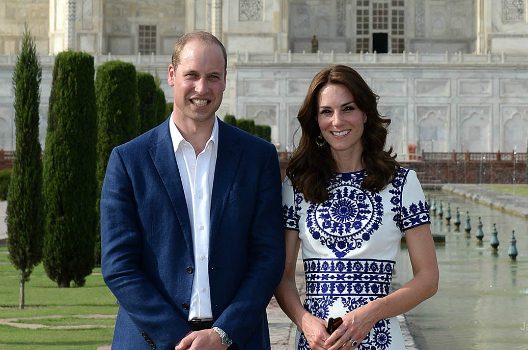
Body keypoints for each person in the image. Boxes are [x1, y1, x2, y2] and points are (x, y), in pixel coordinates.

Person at [100, 31, 285, 350]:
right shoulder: (130, 160)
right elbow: (119, 265)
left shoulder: (256, 157)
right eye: (192, 76)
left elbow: (267, 257)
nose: (202, 88)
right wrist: (179, 338)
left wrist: (223, 334)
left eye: (213, 77)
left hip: (236, 339)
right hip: (151, 340)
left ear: (225, 80)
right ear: (171, 75)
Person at [275, 65, 438, 350]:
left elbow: (428, 278)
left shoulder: (401, 184)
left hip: (380, 339)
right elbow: (283, 276)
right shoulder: (298, 186)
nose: (337, 121)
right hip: (316, 343)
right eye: (326, 111)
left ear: (365, 112)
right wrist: (305, 321)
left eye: (347, 108)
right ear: (316, 120)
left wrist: (370, 314)